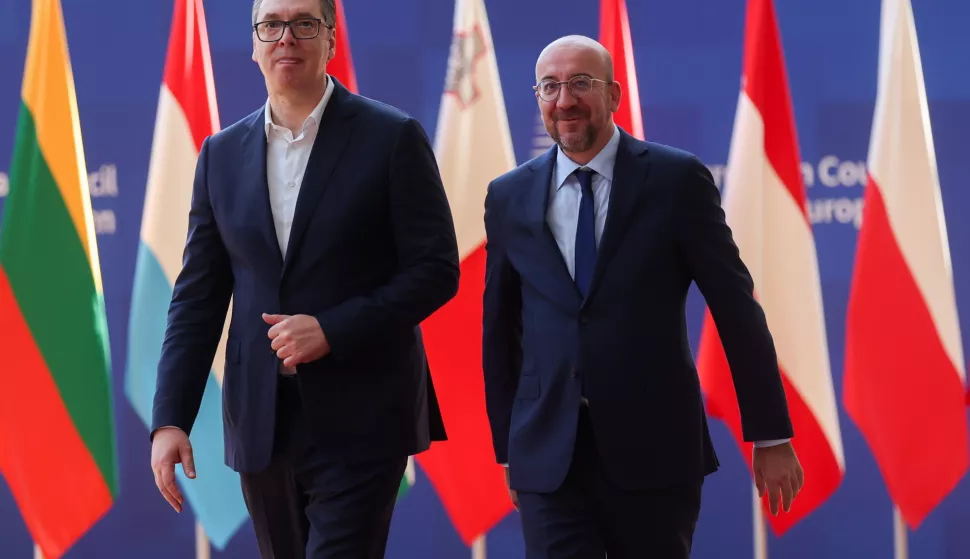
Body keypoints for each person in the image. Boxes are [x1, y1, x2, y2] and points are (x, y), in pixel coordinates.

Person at [149, 0, 459, 556]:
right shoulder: (220, 155)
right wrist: (170, 419)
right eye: (271, 25)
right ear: (253, 44)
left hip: (364, 416)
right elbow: (198, 296)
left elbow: (435, 271)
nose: (285, 37)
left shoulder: (392, 138)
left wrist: (333, 329)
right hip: (262, 423)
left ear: (331, 40)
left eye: (303, 24)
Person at [482, 35, 804, 558]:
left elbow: (735, 308)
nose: (564, 99)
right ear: (537, 97)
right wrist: (508, 451)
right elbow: (500, 329)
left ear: (613, 95)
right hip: (548, 455)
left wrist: (769, 433)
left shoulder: (675, 180)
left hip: (656, 448)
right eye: (550, 86)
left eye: (581, 83)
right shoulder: (508, 194)